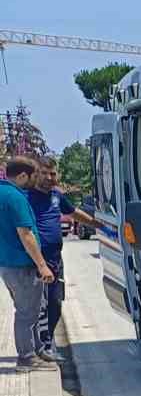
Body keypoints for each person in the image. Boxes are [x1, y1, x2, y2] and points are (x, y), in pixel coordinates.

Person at [26, 160, 94, 360]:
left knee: (55, 301)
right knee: (38, 305)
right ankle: (40, 346)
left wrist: (96, 223)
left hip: (56, 260)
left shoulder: (57, 196)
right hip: (35, 261)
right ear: (36, 174)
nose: (49, 178)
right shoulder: (27, 197)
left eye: (52, 173)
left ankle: (47, 341)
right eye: (44, 173)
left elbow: (73, 213)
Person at [0, 157, 56, 369]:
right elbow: (26, 234)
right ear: (23, 175)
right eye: (34, 175)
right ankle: (26, 358)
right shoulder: (15, 197)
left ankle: (36, 350)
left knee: (29, 308)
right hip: (23, 266)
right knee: (27, 313)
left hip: (7, 265)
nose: (36, 179)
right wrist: (42, 265)